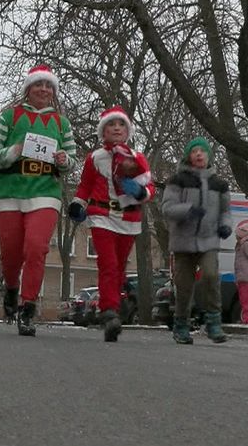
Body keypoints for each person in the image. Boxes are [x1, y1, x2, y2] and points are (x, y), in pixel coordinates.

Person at [0, 64, 76, 336]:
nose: (44, 90)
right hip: (10, 191)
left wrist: (64, 160)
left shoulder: (61, 123)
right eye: (38, 85)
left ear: (53, 91)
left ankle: (27, 308)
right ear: (28, 89)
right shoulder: (10, 116)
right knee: (11, 253)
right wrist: (14, 151)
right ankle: (11, 286)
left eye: (48, 86)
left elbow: (72, 157)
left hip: (46, 191)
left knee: (36, 247)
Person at [67, 106, 155, 342]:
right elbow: (85, 185)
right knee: (108, 263)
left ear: (128, 131)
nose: (116, 128)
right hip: (101, 216)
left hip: (128, 219)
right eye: (111, 125)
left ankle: (113, 310)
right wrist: (77, 204)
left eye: (121, 125)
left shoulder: (137, 159)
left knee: (119, 268)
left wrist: (140, 192)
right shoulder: (95, 158)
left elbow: (150, 187)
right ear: (102, 131)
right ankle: (109, 312)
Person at [161, 137, 232, 345]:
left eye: (203, 151)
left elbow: (226, 210)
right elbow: (167, 208)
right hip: (183, 240)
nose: (199, 154)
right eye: (195, 151)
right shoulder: (177, 180)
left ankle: (213, 322)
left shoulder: (219, 184)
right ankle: (181, 323)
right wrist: (188, 210)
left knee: (211, 275)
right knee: (184, 284)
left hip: (209, 239)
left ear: (209, 155)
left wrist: (225, 225)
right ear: (188, 156)